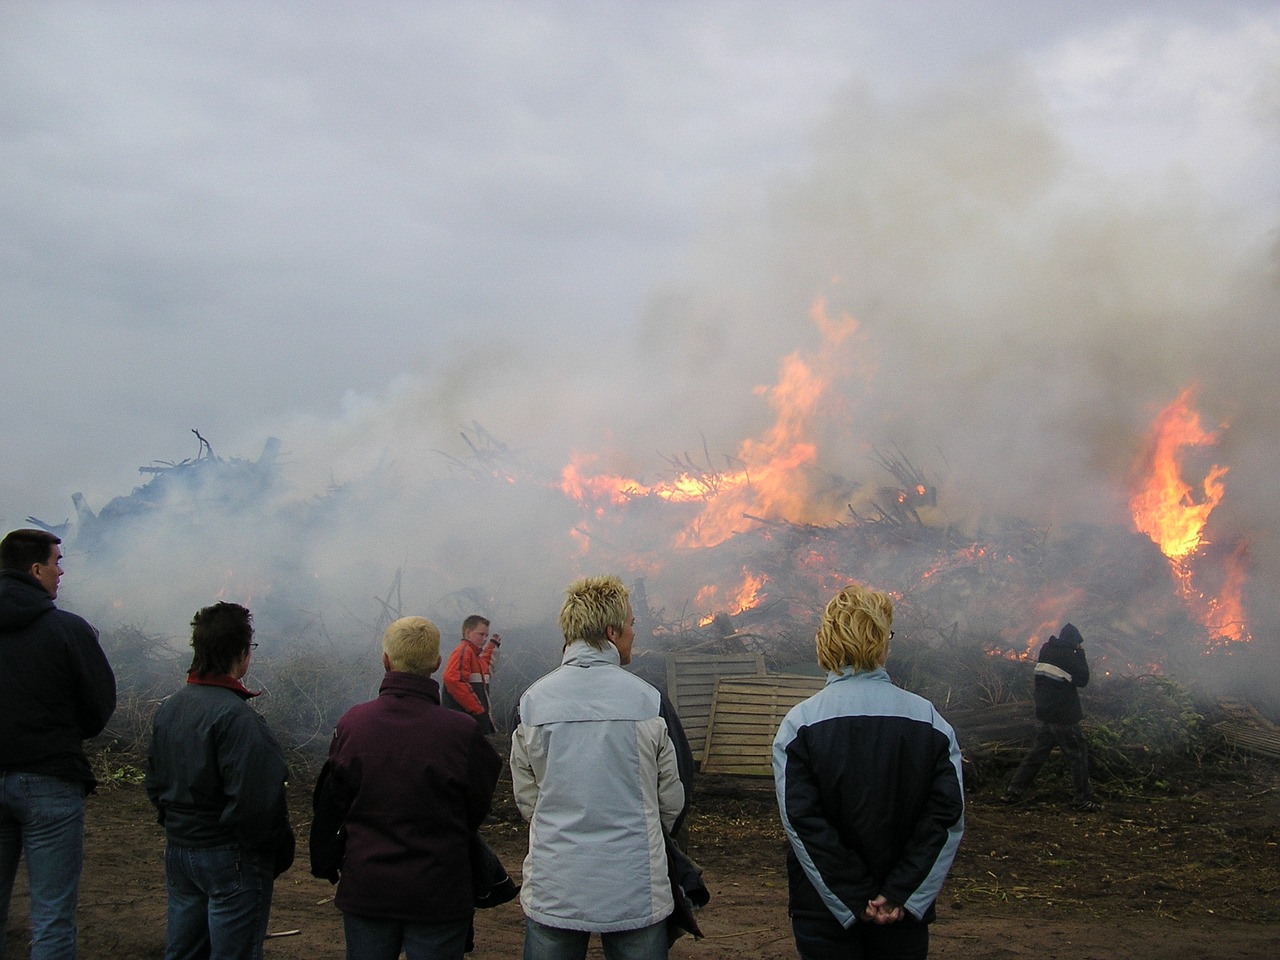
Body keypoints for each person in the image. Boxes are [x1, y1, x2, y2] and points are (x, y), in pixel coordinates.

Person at [772, 583, 964, 960]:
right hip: (901, 917)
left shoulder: (799, 726)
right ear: (881, 642)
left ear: (825, 642)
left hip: (825, 916)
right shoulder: (930, 722)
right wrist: (899, 894)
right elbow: (945, 819)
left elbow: (803, 823)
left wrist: (855, 896)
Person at [510, 575, 684, 960]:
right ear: (611, 631)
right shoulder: (648, 702)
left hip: (556, 884)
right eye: (632, 625)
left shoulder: (532, 704)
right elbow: (671, 799)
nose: (634, 634)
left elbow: (528, 800)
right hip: (634, 888)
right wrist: (649, 838)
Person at [310, 616, 502, 960]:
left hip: (368, 889)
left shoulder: (353, 724)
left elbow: (331, 804)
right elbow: (476, 806)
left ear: (386, 660)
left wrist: (326, 858)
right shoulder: (461, 733)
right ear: (436, 663)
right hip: (439, 891)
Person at [146, 602, 294, 960]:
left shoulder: (171, 707)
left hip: (180, 851)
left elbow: (155, 783)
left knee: (184, 952)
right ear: (243, 654)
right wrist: (275, 852)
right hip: (230, 858)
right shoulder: (238, 718)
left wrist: (180, 828)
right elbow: (258, 805)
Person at [0, 528, 117, 959]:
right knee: (51, 916)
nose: (60, 571)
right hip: (50, 780)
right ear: (35, 569)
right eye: (55, 562)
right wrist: (62, 734)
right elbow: (99, 705)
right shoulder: (66, 629)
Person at [1001, 622, 1100, 812]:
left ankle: (1012, 792)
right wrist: (1080, 653)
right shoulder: (1070, 655)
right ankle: (1082, 800)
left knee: (1036, 755)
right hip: (1063, 716)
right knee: (1078, 755)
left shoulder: (1047, 649)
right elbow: (1083, 679)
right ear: (1074, 643)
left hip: (1046, 713)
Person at [441, 615, 501, 734]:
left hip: (469, 724)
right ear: (468, 633)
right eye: (481, 634)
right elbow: (453, 679)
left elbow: (486, 666)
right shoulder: (464, 651)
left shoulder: (475, 657)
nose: (484, 639)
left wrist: (492, 646)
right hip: (461, 724)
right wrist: (478, 710)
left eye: (486, 636)